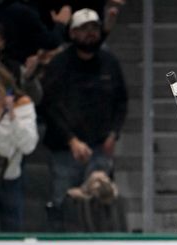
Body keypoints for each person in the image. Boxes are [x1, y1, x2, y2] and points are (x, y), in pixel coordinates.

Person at [40, 8, 127, 225]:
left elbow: (121, 100)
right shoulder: (59, 65)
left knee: (102, 203)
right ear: (72, 33)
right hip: (65, 150)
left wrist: (114, 133)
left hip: (99, 147)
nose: (90, 34)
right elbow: (50, 106)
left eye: (95, 28)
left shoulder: (109, 62)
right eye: (84, 29)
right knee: (64, 203)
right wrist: (71, 140)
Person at [0, 60, 38, 232]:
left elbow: (28, 146)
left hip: (10, 178)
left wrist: (11, 116)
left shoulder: (23, 106)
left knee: (12, 233)